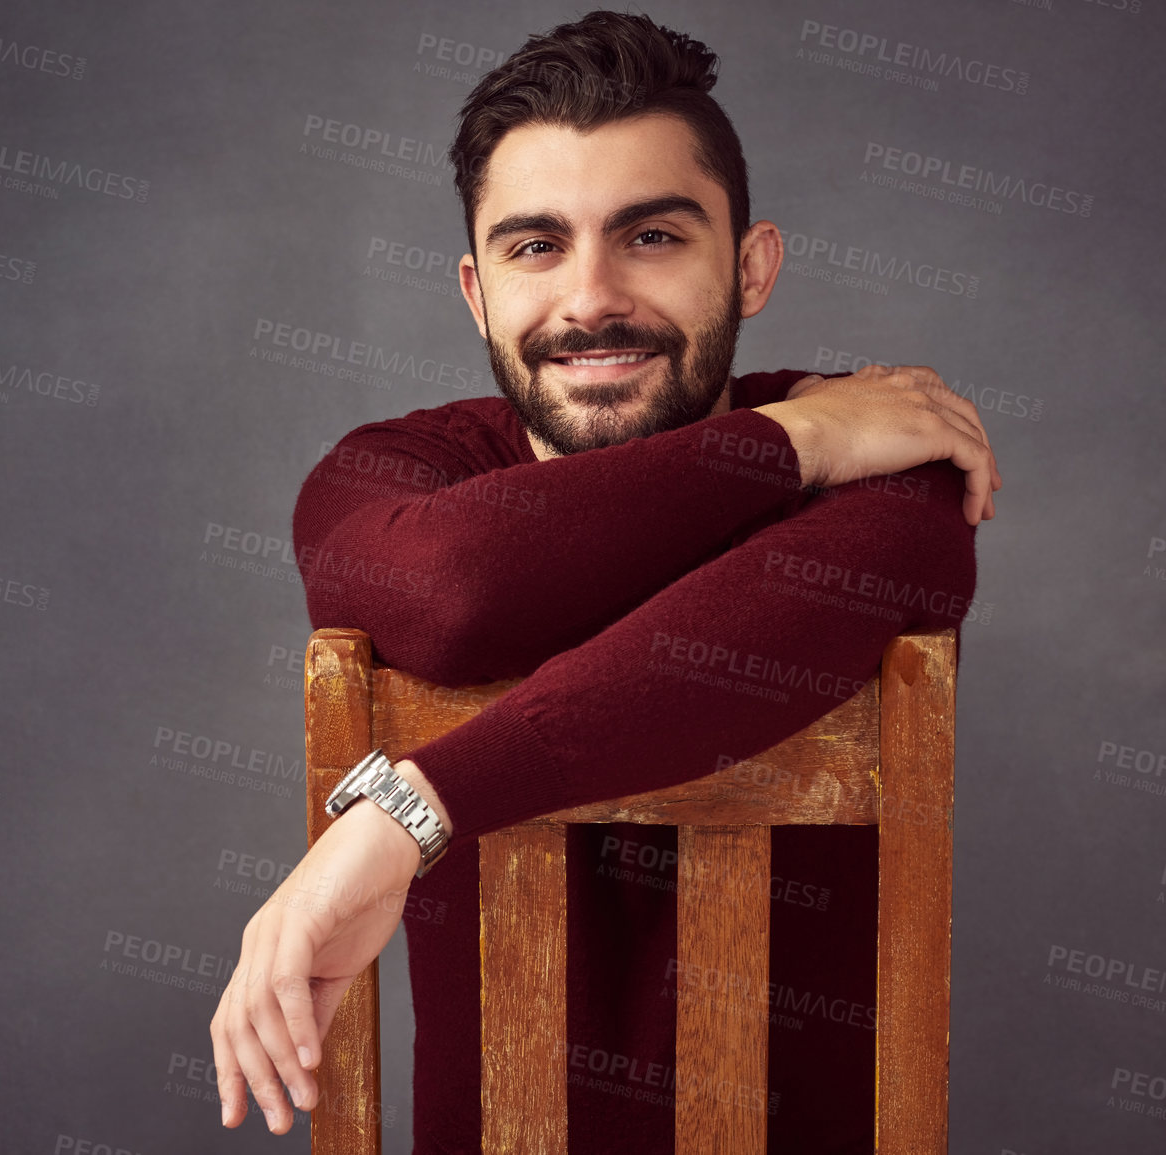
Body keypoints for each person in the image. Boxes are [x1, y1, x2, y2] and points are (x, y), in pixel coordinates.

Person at [211, 10, 999, 1151]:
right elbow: (458, 590)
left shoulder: (894, 460)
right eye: (538, 246)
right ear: (478, 294)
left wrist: (400, 821)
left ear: (753, 266)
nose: (590, 300)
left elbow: (853, 575)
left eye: (653, 238)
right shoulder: (393, 477)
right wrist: (795, 439)